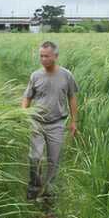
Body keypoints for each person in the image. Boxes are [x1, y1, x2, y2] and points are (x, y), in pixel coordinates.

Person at [21, 41, 80, 205]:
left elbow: (72, 97)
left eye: (46, 56)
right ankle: (33, 191)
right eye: (41, 56)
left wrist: (74, 121)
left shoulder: (66, 75)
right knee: (35, 157)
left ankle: (49, 194)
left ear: (55, 56)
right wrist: (23, 114)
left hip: (57, 124)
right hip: (37, 123)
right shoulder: (35, 76)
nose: (43, 59)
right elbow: (27, 97)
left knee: (54, 160)